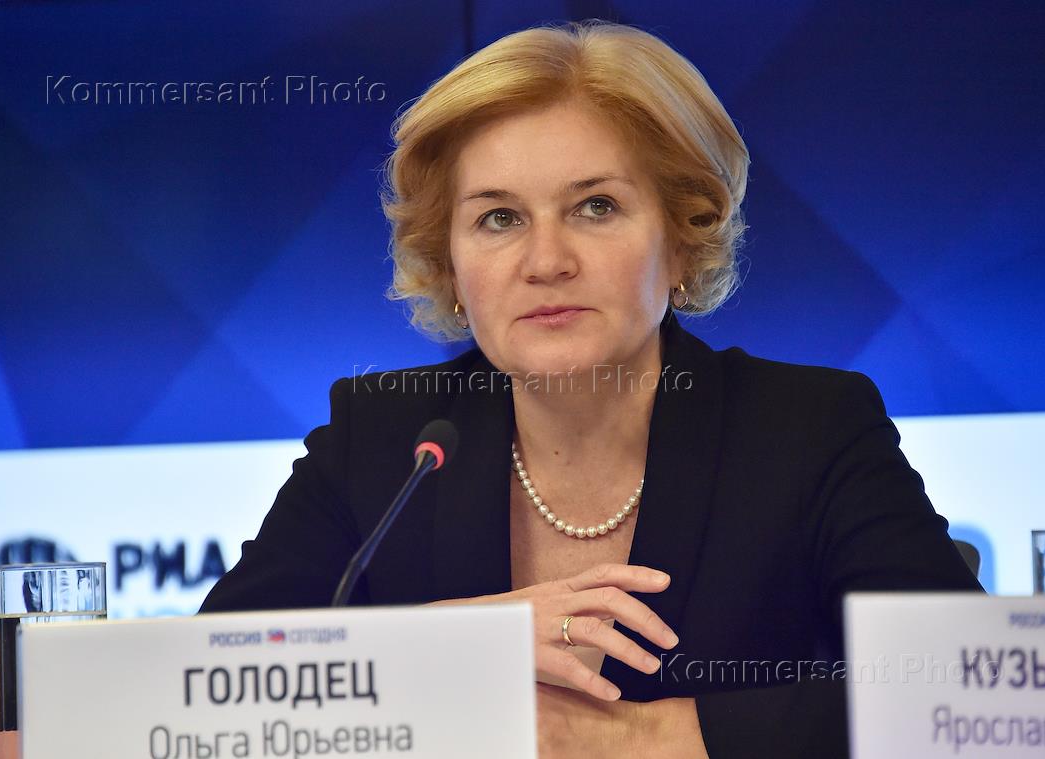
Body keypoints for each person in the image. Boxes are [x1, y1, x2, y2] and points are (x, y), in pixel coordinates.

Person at [200, 20, 982, 757]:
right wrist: (455, 646)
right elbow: (209, 687)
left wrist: (638, 736)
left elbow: (963, 689)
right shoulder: (382, 436)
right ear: (451, 266)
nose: (546, 261)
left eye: (595, 207)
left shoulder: (807, 430)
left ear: (683, 239)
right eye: (499, 218)